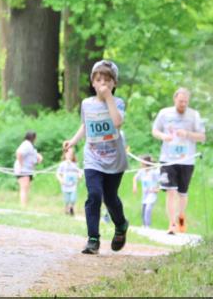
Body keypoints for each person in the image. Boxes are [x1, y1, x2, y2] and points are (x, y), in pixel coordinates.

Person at [63, 60, 129, 255]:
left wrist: (108, 98)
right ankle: (93, 239)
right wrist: (73, 141)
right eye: (99, 80)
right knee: (94, 195)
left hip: (114, 158)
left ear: (114, 84)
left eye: (108, 81)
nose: (103, 84)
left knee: (110, 198)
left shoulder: (118, 103)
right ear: (92, 83)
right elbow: (85, 125)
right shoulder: (86, 104)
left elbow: (117, 122)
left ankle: (121, 225)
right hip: (93, 157)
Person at [152, 88, 206, 234]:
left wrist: (187, 134)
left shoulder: (194, 115)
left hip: (187, 159)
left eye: (186, 102)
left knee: (182, 193)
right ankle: (172, 224)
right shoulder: (164, 113)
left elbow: (202, 137)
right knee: (170, 191)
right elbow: (155, 130)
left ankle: (181, 218)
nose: (183, 104)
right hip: (167, 159)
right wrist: (163, 136)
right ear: (175, 99)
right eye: (181, 101)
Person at [14, 131, 43, 208]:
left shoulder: (30, 145)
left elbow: (32, 155)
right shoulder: (26, 144)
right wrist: (21, 165)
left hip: (28, 170)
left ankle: (25, 205)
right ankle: (23, 206)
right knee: (24, 188)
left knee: (26, 188)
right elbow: (18, 153)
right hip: (23, 170)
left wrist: (38, 157)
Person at [133, 155, 160, 229]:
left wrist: (157, 189)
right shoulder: (142, 171)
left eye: (141, 162)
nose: (140, 164)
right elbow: (135, 177)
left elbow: (160, 181)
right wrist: (135, 186)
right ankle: (144, 225)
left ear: (145, 163)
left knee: (148, 208)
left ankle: (147, 225)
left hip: (152, 194)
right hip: (145, 194)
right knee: (143, 209)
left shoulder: (153, 172)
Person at [56, 146, 82, 216]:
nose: (70, 156)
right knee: (66, 200)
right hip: (65, 185)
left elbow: (79, 171)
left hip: (73, 185)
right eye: (68, 154)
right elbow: (58, 173)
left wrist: (79, 176)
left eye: (71, 154)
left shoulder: (75, 164)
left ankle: (71, 209)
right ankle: (66, 210)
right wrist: (60, 180)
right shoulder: (62, 164)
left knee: (73, 199)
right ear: (65, 155)